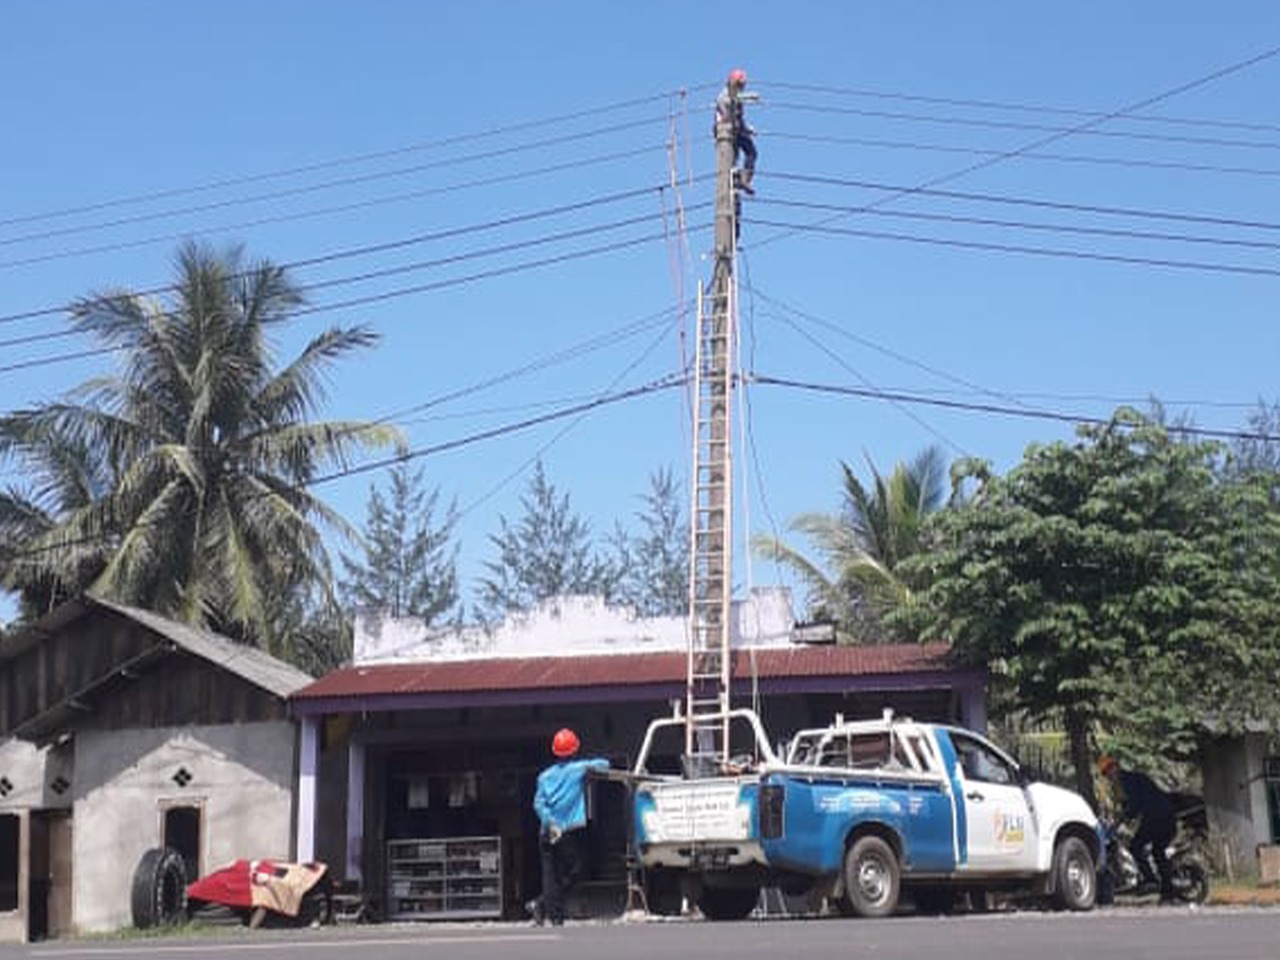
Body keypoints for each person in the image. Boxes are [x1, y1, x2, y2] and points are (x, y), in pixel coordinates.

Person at [530, 727, 610, 926]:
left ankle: (549, 912)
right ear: (574, 751)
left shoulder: (544, 776)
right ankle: (543, 905)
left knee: (550, 875)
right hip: (565, 831)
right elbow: (605, 764)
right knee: (576, 870)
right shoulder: (579, 769)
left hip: (547, 831)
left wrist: (549, 821)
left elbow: (538, 804)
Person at [1099, 754, 1177, 902]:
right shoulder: (1122, 784)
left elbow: (1134, 805)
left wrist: (1119, 822)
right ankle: (1167, 892)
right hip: (1159, 816)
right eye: (1105, 773)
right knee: (1157, 852)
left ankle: (1151, 880)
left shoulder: (1129, 780)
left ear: (1116, 767)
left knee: (1136, 847)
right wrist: (1118, 820)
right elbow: (1127, 807)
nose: (1108, 775)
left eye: (1109, 770)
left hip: (1159, 816)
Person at [715, 68, 759, 194]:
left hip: (736, 129)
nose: (741, 87)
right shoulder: (725, 94)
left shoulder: (737, 97)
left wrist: (748, 129)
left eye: (742, 85)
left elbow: (738, 117)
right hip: (725, 131)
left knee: (751, 153)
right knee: (733, 156)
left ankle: (743, 179)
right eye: (739, 84)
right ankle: (736, 178)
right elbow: (727, 102)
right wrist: (749, 96)